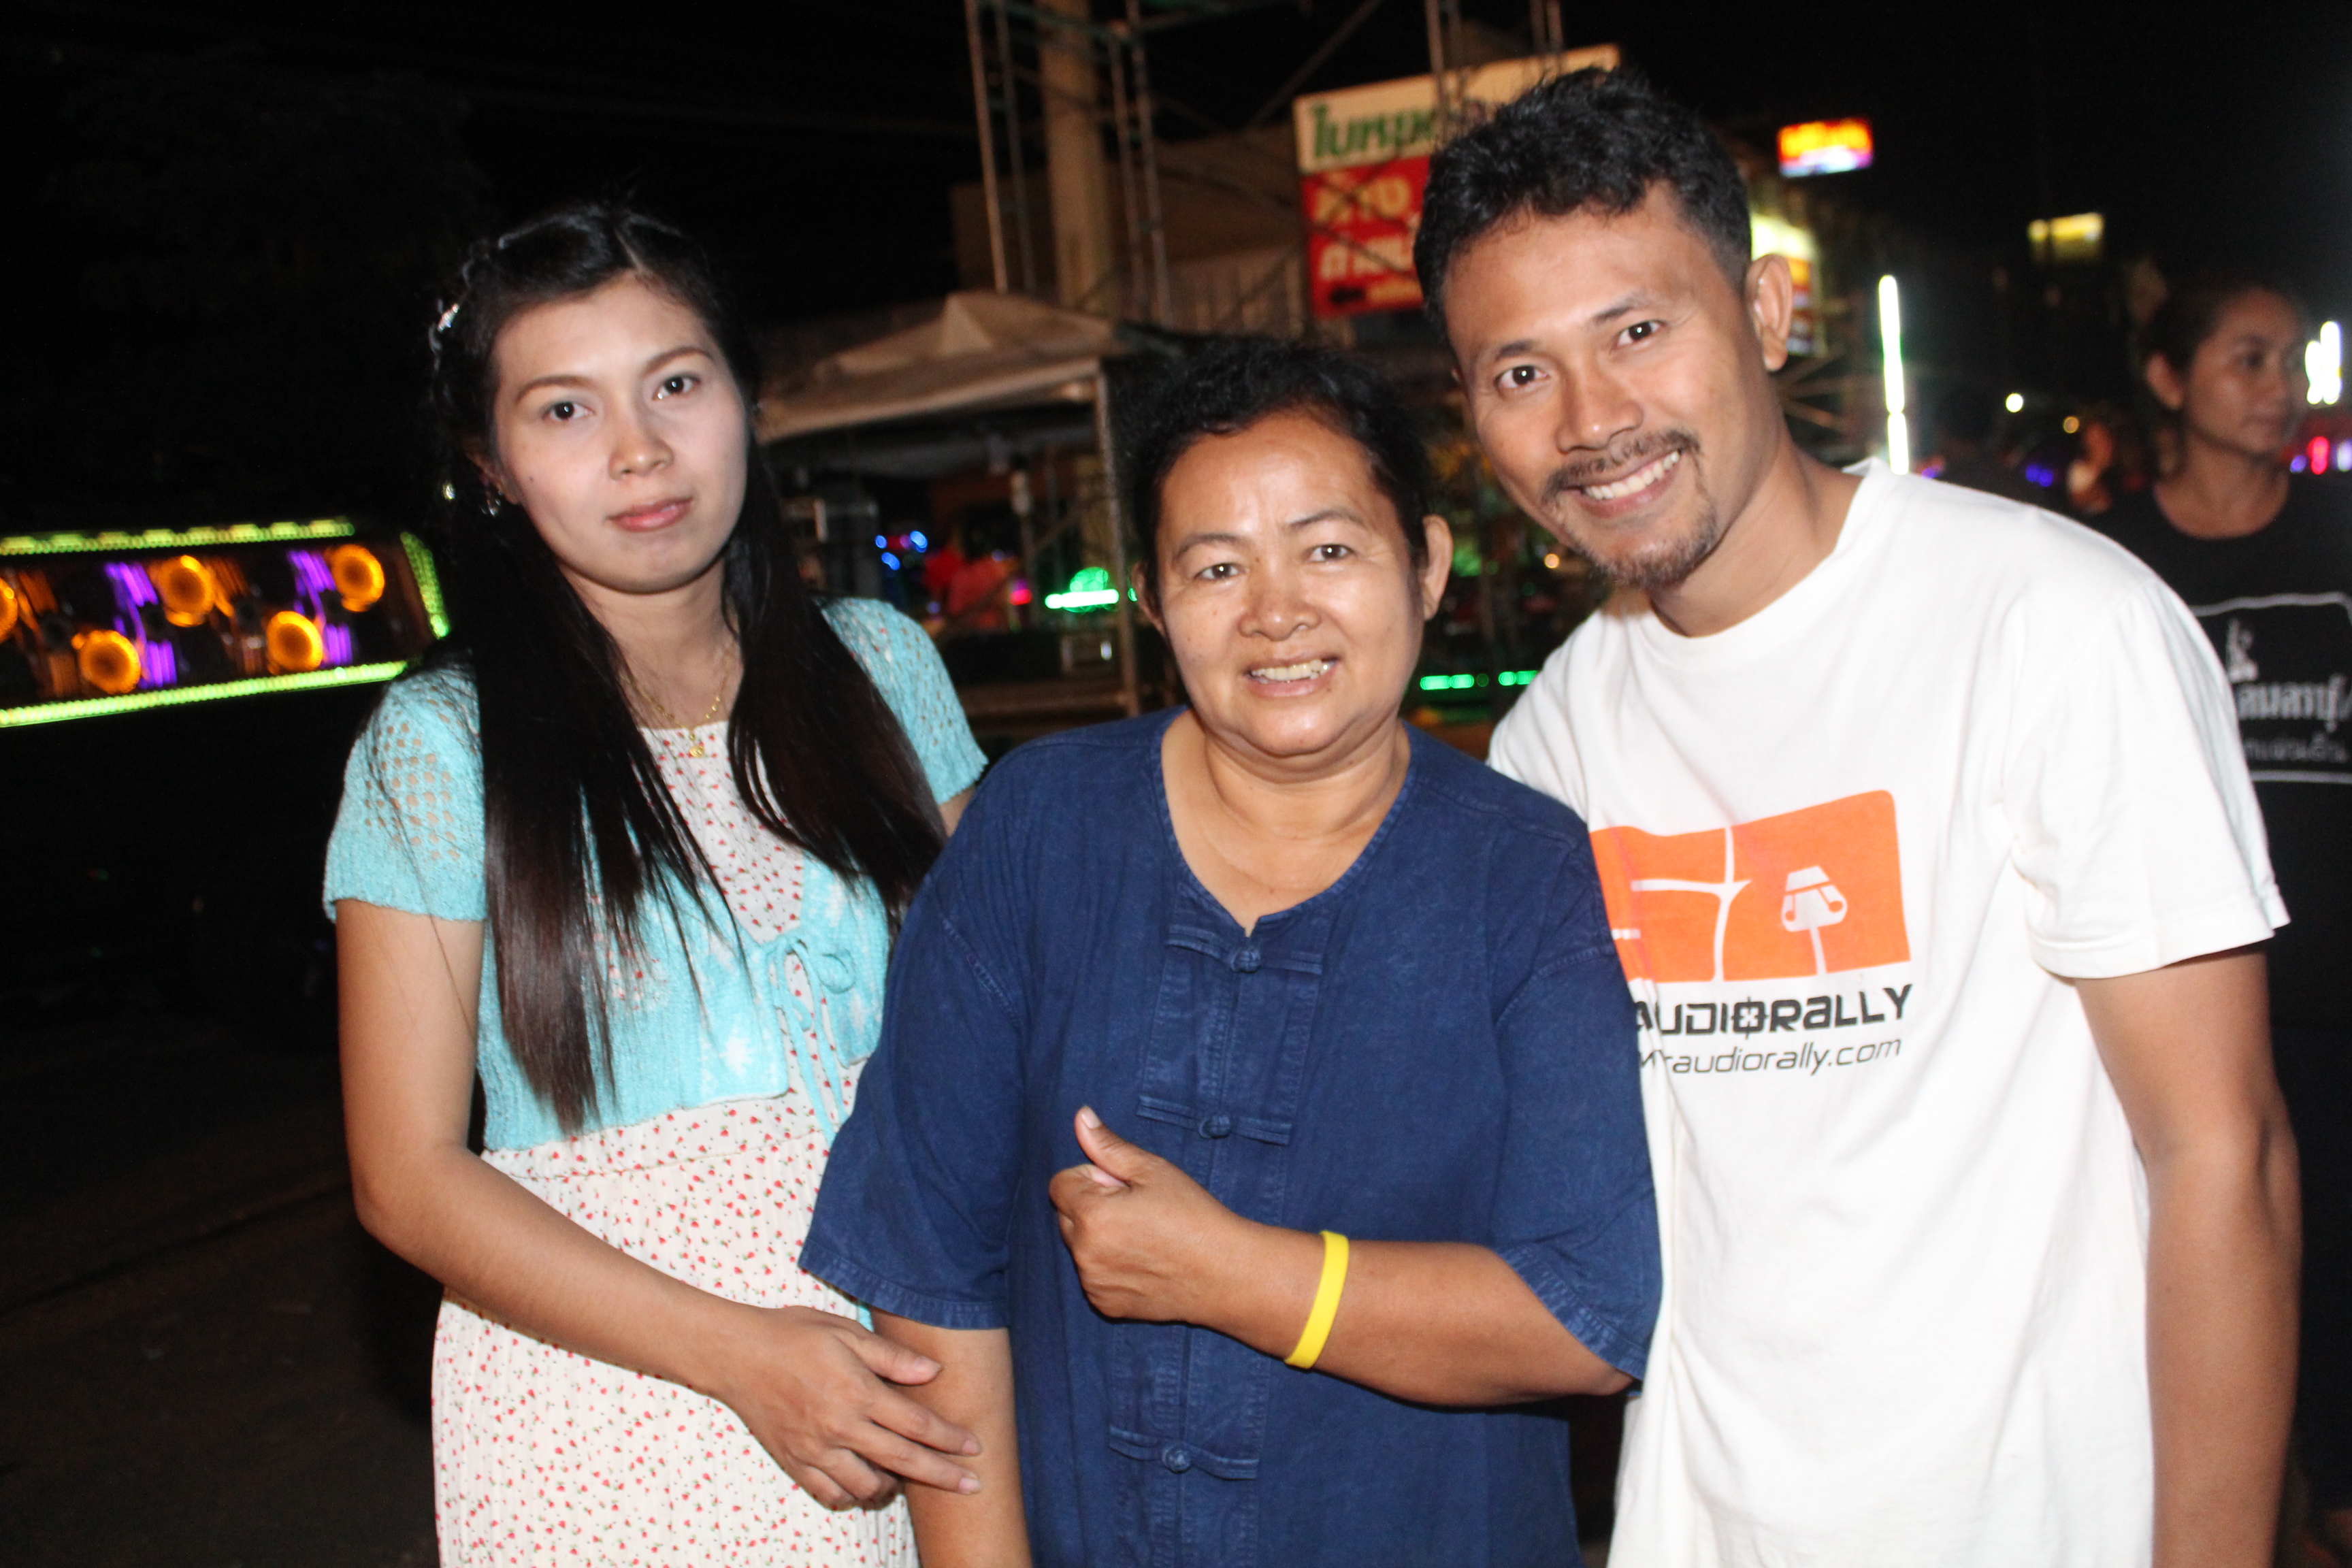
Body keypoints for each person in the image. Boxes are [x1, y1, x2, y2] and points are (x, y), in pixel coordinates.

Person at [1416, 68, 2298, 1567]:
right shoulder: (1554, 740)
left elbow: (2223, 1157)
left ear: (1767, 314)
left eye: (1638, 331)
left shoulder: (2051, 624)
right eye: (1520, 373)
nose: (1594, 420)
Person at [802, 338, 1659, 1568]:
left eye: (1329, 549)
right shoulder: (1042, 828)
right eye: (1216, 566)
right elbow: (931, 1263)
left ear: (1425, 565)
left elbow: (1590, 1314)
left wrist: (1236, 1275)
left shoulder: (1522, 872)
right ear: (1153, 601)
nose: (1276, 611)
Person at [326, 203, 991, 1566]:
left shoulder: (882, 668)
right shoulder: (441, 746)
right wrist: (741, 1355)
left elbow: (998, 1023)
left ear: (747, 399)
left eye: (676, 384)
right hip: (614, 1412)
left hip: (915, 1370)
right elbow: (405, 1175)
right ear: (492, 464)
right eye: (565, 410)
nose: (638, 449)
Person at [2097, 272, 2352, 1563]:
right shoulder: (2105, 569)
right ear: (2169, 380)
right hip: (2180, 1017)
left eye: (2290, 361)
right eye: (2247, 359)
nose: (2278, 388)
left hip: (2336, 1002)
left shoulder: (2339, 534)